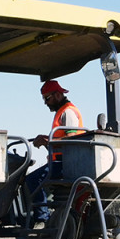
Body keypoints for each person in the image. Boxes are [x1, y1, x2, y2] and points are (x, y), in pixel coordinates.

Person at [24, 79, 84, 227]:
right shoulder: (61, 112)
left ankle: (42, 219)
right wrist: (47, 141)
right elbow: (59, 144)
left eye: (47, 98)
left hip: (65, 164)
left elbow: (71, 140)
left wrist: (46, 141)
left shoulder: (68, 112)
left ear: (57, 95)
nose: (46, 103)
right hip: (60, 162)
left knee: (32, 180)